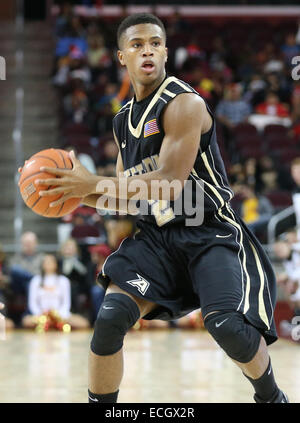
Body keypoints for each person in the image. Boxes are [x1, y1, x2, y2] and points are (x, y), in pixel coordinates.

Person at [35, 13, 287, 403]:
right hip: (157, 237)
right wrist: (64, 190)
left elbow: (169, 180)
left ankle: (271, 397)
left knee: (225, 325)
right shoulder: (122, 122)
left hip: (209, 232)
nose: (147, 50)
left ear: (166, 51)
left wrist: (90, 184)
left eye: (154, 42)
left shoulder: (184, 102)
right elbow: (124, 195)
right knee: (109, 318)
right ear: (121, 56)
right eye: (136, 44)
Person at [22, 254, 90, 329]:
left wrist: (58, 315)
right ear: (42, 265)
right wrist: (41, 315)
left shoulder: (64, 280)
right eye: (46, 262)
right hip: (41, 316)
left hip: (61, 315)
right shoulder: (35, 280)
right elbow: (33, 304)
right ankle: (49, 324)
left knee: (83, 323)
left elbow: (66, 303)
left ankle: (54, 324)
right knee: (26, 321)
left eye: (51, 262)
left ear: (56, 264)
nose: (48, 264)